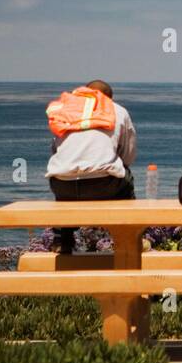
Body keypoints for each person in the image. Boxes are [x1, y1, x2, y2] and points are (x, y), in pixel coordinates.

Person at [45, 80, 137, 253]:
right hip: (103, 185)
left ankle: (62, 240)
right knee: (126, 177)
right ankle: (129, 238)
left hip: (62, 186)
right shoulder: (117, 110)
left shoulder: (66, 111)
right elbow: (128, 155)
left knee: (65, 174)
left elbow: (56, 150)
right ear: (109, 98)